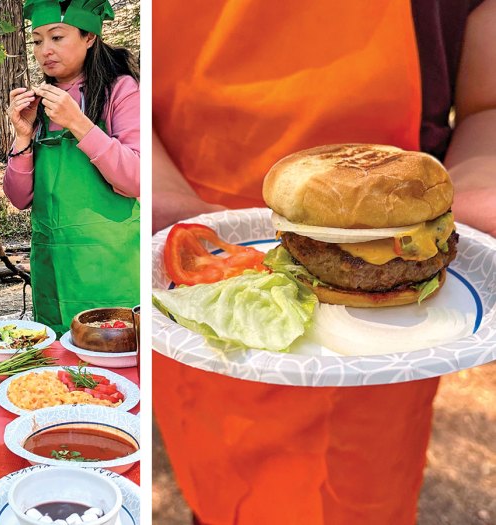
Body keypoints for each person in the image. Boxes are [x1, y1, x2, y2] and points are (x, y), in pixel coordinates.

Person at [153, 1, 496, 524]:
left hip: (398, 341)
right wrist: (160, 195)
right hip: (216, 264)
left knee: (362, 494)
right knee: (225, 490)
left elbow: (488, 102)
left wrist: (476, 181)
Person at [3, 0, 139, 334]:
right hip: (53, 267)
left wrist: (80, 124)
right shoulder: (40, 103)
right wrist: (22, 136)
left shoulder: (120, 91)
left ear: (89, 37)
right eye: (37, 40)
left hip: (110, 265)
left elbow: (136, 179)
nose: (44, 50)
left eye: (57, 37)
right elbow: (19, 198)